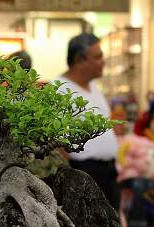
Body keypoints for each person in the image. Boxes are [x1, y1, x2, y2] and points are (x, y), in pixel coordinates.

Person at [54, 33, 119, 209]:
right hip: (84, 172)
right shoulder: (60, 89)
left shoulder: (93, 87)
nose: (103, 61)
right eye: (98, 57)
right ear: (80, 60)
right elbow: (55, 139)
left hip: (108, 172)